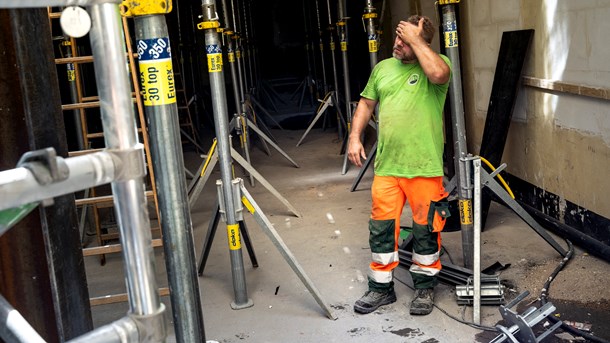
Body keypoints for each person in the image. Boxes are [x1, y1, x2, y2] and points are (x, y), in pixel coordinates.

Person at [349, 15, 452, 316]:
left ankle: (424, 287)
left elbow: (438, 74)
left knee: (425, 229)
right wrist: (355, 137)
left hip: (424, 166)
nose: (396, 45)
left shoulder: (438, 64)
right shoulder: (382, 69)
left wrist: (416, 40)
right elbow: (366, 104)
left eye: (404, 42)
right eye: (397, 38)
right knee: (381, 228)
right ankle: (380, 288)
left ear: (422, 43)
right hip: (387, 166)